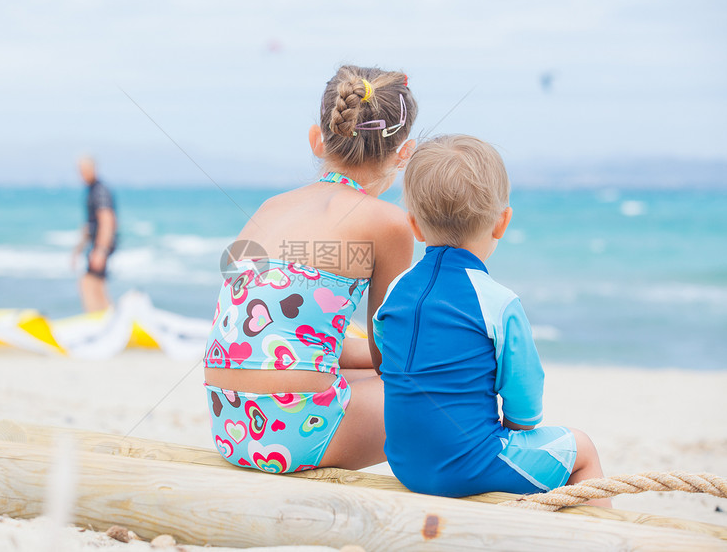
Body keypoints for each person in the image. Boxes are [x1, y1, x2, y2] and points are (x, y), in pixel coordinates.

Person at [374, 134, 610, 506]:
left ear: (415, 226)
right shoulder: (498, 302)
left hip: (405, 462)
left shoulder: (396, 291)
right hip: (468, 467)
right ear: (502, 222)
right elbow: (525, 396)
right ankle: (596, 540)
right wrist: (516, 432)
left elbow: (388, 358)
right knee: (582, 450)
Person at [203, 65, 418, 473]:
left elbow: (282, 340)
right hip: (295, 435)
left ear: (317, 140)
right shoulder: (389, 224)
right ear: (403, 153)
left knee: (351, 374)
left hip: (229, 424)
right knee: (435, 394)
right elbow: (387, 355)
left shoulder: (271, 208)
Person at [72, 156, 118, 312]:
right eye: (80, 171)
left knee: (89, 284)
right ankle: (107, 319)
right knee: (95, 285)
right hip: (96, 244)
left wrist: (101, 250)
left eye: (84, 170)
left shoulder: (100, 191)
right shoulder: (91, 190)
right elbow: (89, 225)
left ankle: (101, 321)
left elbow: (107, 221)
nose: (81, 175)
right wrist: (77, 250)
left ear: (93, 169)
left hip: (102, 244)